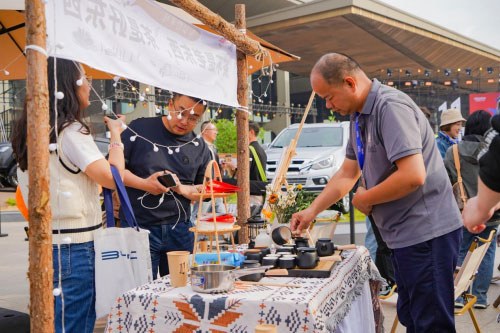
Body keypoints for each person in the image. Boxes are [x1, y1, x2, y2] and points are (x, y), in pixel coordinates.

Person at [291, 53, 462, 332]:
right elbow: (348, 173)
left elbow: (413, 175)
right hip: (402, 237)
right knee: (412, 316)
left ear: (350, 83)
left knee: (431, 324)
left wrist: (365, 199)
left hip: (426, 234)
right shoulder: (358, 117)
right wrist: (312, 211)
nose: (328, 105)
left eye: (329, 97)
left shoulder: (389, 107)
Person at [12, 57, 126, 333]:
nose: (88, 84)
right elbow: (113, 179)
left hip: (47, 243)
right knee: (74, 324)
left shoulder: (32, 131)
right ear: (68, 86)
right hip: (76, 248)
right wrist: (116, 136)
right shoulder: (72, 131)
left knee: (54, 322)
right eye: (83, 78)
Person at [121, 92, 211, 279]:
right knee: (140, 292)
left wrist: (182, 189)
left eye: (194, 118)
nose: (184, 121)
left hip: (180, 229)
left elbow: (206, 190)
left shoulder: (199, 145)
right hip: (138, 226)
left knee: (182, 291)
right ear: (170, 104)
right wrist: (145, 184)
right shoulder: (140, 128)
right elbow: (113, 170)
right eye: (180, 112)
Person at [444, 110, 499, 309]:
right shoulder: (492, 151)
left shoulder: (453, 152)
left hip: (463, 213)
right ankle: (480, 297)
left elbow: (446, 182)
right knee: (486, 252)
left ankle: (459, 296)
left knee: (461, 252)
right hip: (492, 211)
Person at [462, 114, 500, 233]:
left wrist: (482, 207)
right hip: (492, 216)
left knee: (464, 251)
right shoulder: (487, 145)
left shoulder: (451, 151)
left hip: (468, 212)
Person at [225, 121, 268, 215]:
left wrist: (233, 168)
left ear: (251, 132)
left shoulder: (248, 150)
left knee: (247, 223)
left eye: (243, 131)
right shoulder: (261, 150)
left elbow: (244, 174)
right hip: (258, 192)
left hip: (251, 195)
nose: (240, 135)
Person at [190, 120, 225, 224]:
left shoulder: (213, 148)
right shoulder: (198, 147)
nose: (216, 132)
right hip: (204, 187)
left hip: (215, 187)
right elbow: (194, 167)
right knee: (199, 216)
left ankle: (221, 235)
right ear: (205, 131)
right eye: (213, 130)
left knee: (221, 213)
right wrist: (192, 187)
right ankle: (194, 238)